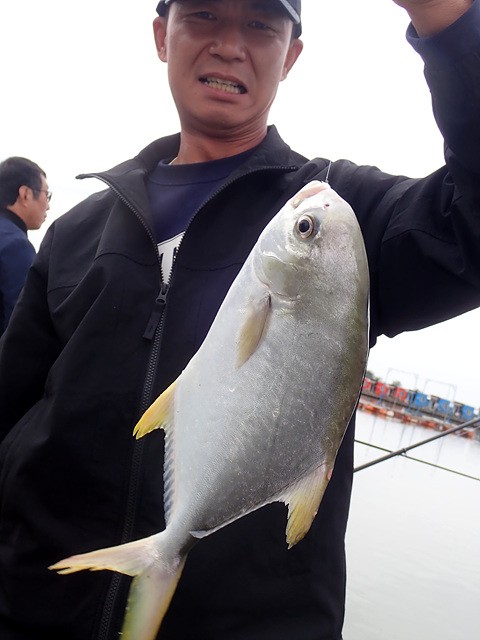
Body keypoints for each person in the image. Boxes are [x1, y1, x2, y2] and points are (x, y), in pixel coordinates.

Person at [0, 0, 479, 638]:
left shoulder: (343, 218)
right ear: (161, 36)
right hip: (32, 610)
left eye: (259, 25)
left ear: (292, 55)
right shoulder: (74, 233)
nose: (230, 45)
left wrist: (451, 21)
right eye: (203, 15)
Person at [0, 157, 50, 334]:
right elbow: (22, 323)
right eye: (47, 194)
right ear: (25, 194)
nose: (48, 206)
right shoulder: (15, 245)